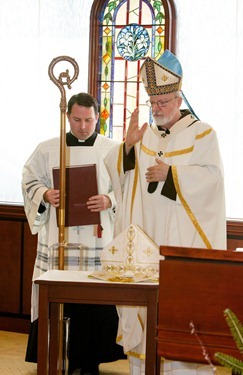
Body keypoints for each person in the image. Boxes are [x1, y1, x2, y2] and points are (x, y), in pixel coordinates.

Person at [104, 50, 227, 374]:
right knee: (145, 332)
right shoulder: (145, 136)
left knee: (182, 320)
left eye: (163, 102)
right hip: (145, 247)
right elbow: (123, 181)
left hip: (181, 248)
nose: (156, 109)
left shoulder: (203, 134)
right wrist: (128, 149)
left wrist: (171, 174)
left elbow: (212, 181)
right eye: (153, 103)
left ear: (178, 98)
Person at [22, 92, 126, 375]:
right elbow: (29, 180)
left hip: (97, 238)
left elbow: (128, 186)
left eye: (89, 120)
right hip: (59, 238)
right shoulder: (48, 149)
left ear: (98, 119)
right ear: (67, 117)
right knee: (59, 294)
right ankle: (55, 355)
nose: (83, 126)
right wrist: (45, 193)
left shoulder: (112, 149)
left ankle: (90, 360)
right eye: (77, 120)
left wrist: (109, 200)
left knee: (93, 296)